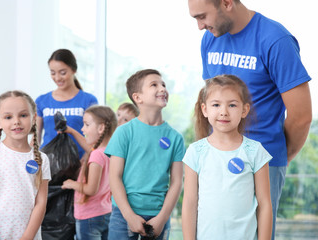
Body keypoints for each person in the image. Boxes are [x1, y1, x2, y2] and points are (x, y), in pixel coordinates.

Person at [187, 0, 312, 238]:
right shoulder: (210, 39)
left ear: (226, 3)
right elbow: (212, 102)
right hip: (215, 158)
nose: (200, 26)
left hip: (261, 159)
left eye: (202, 16)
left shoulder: (276, 40)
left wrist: (277, 159)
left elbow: (301, 117)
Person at [182, 74, 272, 239]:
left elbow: (265, 204)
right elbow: (189, 203)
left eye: (232, 105)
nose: (223, 112)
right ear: (205, 109)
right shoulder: (195, 152)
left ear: (244, 110)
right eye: (216, 105)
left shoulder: (255, 151)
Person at [105, 69, 185, 240]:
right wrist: (129, 216)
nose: (162, 88)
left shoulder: (175, 138)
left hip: (159, 216)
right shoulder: (123, 133)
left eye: (163, 84)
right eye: (154, 85)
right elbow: (114, 177)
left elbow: (177, 181)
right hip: (123, 215)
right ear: (138, 97)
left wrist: (162, 218)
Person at [0, 91, 51, 240]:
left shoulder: (42, 159)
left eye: (23, 115)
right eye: (8, 117)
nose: (16, 121)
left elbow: (40, 203)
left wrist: (26, 238)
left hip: (28, 235)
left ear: (34, 118)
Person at [62, 105, 118, 240]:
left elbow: (91, 189)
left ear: (101, 128)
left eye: (86, 125)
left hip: (89, 217)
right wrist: (72, 132)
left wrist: (71, 184)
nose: (83, 129)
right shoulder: (112, 152)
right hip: (106, 213)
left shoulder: (96, 155)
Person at [35, 49, 98, 159]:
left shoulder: (89, 100)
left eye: (63, 73)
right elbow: (36, 137)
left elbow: (94, 137)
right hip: (48, 164)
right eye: (53, 73)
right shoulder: (42, 100)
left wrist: (85, 162)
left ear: (74, 70)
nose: (57, 78)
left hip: (79, 163)